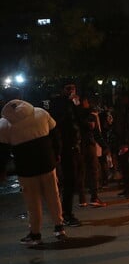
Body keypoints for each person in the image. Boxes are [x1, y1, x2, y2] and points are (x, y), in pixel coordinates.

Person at [0, 93, 66, 244]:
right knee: (53, 196)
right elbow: (56, 135)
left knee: (32, 201)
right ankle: (59, 227)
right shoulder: (40, 113)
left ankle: (35, 233)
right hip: (47, 162)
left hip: (25, 168)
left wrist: (2, 170)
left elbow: (2, 152)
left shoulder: (4, 124)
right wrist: (57, 154)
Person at [49, 81, 83, 227]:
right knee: (68, 180)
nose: (71, 91)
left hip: (73, 146)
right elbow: (58, 123)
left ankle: (66, 212)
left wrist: (77, 105)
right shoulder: (58, 104)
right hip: (65, 147)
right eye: (68, 88)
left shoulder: (73, 104)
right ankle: (65, 214)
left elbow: (79, 120)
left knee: (73, 179)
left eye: (73, 88)